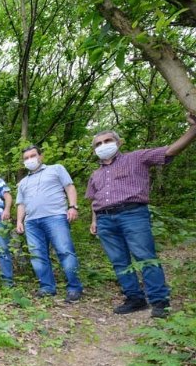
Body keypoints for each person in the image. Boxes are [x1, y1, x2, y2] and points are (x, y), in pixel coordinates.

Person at [86, 113, 196, 318]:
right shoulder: (96, 174)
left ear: (118, 142)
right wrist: (94, 221)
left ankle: (159, 301)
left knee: (145, 256)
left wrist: (193, 130)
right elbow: (94, 199)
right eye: (98, 144)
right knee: (119, 261)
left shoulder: (136, 157)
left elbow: (170, 151)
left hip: (133, 214)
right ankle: (135, 298)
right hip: (104, 219)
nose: (103, 145)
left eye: (107, 141)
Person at [15, 146, 83, 302]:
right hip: (31, 222)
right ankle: (47, 287)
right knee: (37, 255)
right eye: (26, 158)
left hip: (55, 217)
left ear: (41, 156)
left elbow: (69, 187)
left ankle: (74, 288)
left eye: (33, 155)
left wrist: (73, 206)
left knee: (65, 251)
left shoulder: (56, 169)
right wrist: (19, 221)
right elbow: (21, 204)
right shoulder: (23, 182)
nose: (29, 159)